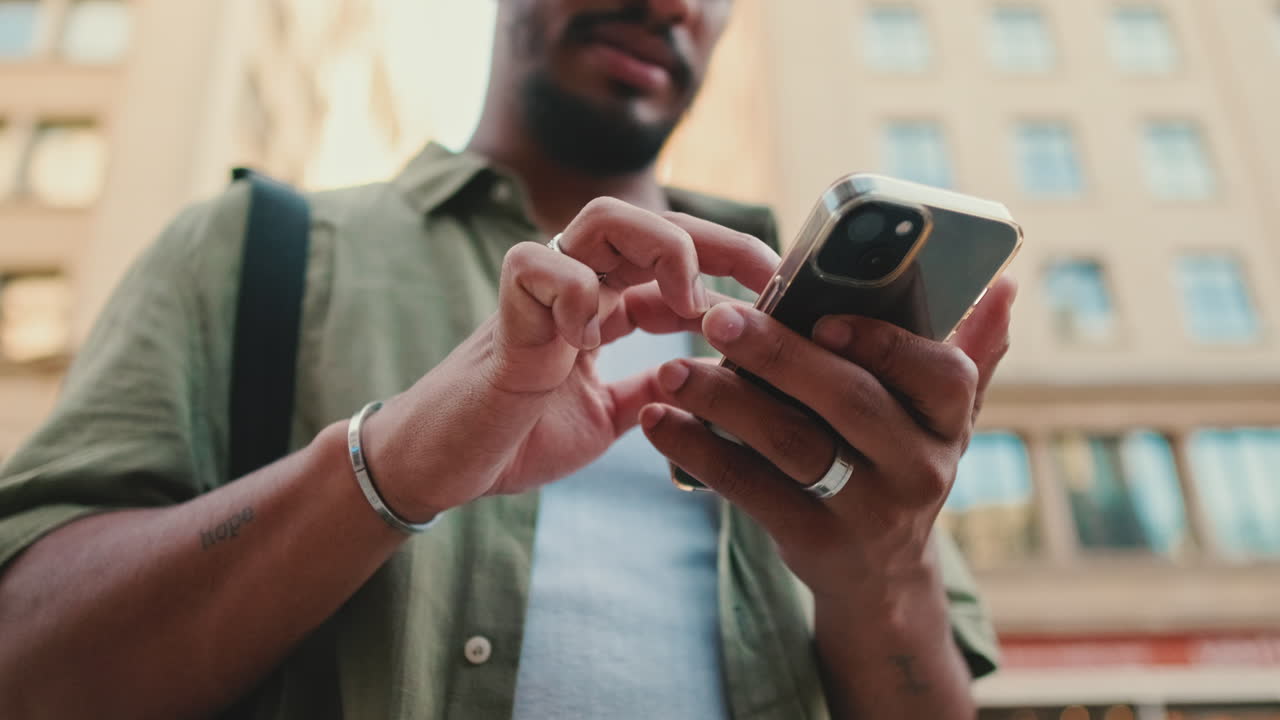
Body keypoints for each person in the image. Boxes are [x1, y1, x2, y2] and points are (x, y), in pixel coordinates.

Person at [0, 1, 1014, 718]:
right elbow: (29, 671)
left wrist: (882, 575)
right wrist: (391, 462)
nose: (668, 3)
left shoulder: (791, 326)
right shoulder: (255, 248)